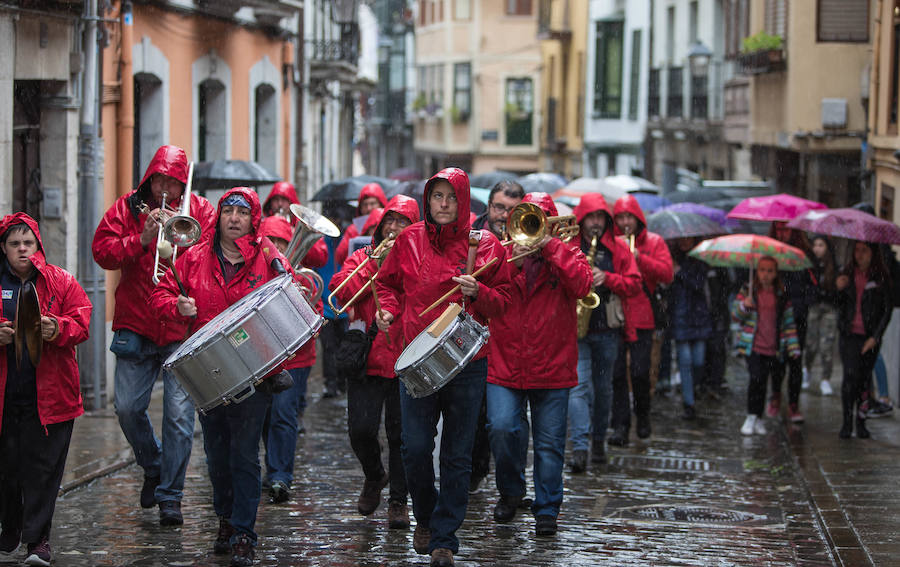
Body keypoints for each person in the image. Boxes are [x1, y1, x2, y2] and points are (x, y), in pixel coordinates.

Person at [374, 167, 511, 567]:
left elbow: (503, 301)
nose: (444, 204)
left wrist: (479, 291)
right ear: (427, 200)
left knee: (457, 453)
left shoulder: (485, 245)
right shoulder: (408, 240)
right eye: (437, 197)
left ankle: (444, 539)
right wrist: (389, 313)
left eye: (451, 197)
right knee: (414, 447)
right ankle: (427, 515)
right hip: (417, 358)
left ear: (464, 201)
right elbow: (387, 284)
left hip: (467, 361)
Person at [149, 187, 293, 566]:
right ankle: (225, 518)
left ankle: (245, 531)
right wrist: (177, 305)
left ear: (253, 219)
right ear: (219, 216)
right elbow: (160, 296)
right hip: (209, 373)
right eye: (227, 211)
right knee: (216, 454)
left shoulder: (267, 255)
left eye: (241, 213)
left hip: (253, 372)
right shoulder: (193, 258)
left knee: (244, 453)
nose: (233, 219)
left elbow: (288, 290)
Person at [92, 144, 216, 525]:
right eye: (159, 179)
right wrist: (141, 239)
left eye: (173, 182)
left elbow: (213, 256)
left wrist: (186, 240)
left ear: (183, 184)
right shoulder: (127, 208)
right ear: (148, 178)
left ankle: (171, 497)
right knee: (127, 408)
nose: (165, 188)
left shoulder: (201, 211)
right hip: (137, 321)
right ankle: (153, 464)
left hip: (181, 326)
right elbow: (102, 252)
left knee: (179, 416)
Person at [485, 192, 592, 535]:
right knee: (502, 430)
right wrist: (510, 266)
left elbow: (582, 284)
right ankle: (511, 491)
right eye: (531, 219)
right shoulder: (503, 253)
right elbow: (485, 296)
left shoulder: (568, 251)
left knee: (549, 443)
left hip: (553, 365)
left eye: (542, 219)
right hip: (505, 362)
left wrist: (551, 248)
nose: (535, 226)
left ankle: (547, 508)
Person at [0, 213, 92, 567]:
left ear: (38, 245)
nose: (22, 250)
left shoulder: (60, 281)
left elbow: (83, 320)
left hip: (51, 396)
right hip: (6, 395)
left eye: (28, 243)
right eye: (14, 244)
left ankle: (38, 542)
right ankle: (10, 530)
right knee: (7, 468)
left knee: (42, 471)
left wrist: (59, 327)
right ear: (4, 249)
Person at [330, 195, 420, 530]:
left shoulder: (419, 261)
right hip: (367, 358)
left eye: (402, 222)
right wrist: (373, 265)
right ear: (380, 227)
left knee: (401, 436)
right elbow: (339, 291)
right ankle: (374, 475)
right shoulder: (362, 256)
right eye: (389, 222)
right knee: (361, 431)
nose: (394, 229)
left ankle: (399, 501)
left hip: (405, 357)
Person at [566, 193, 640, 470]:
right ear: (581, 219)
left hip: (607, 330)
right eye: (591, 218)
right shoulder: (571, 246)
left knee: (603, 389)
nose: (595, 223)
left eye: (600, 218)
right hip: (577, 330)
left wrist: (607, 278)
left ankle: (599, 441)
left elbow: (634, 283)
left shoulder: (618, 249)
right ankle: (581, 448)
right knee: (579, 388)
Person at [257, 215, 324, 503]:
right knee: (263, 417)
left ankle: (280, 476)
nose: (277, 250)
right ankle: (273, 466)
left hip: (294, 358)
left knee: (284, 415)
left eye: (282, 244)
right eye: (270, 243)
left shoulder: (304, 279)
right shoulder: (254, 274)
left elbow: (317, 316)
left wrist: (302, 302)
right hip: (260, 358)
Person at [469, 179, 523, 491]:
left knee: (498, 418)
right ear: (488, 207)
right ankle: (475, 469)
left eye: (512, 210)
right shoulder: (472, 236)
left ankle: (497, 475)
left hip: (507, 338)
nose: (503, 215)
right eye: (499, 207)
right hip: (474, 330)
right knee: (472, 412)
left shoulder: (527, 237)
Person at [609, 195, 673, 445]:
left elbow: (667, 273)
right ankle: (621, 426)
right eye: (620, 218)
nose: (625, 223)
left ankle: (643, 414)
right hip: (618, 314)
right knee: (616, 373)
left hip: (643, 314)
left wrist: (638, 258)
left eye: (629, 218)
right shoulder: (611, 243)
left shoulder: (654, 242)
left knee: (639, 370)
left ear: (638, 219)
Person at [732, 256, 801, 436]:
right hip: (753, 345)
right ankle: (751, 415)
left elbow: (788, 322)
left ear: (776, 273)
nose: (765, 275)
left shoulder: (781, 294)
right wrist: (744, 306)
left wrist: (793, 346)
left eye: (770, 271)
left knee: (764, 382)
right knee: (755, 378)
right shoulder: (749, 290)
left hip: (773, 346)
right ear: (757, 271)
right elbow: (735, 315)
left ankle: (759, 417)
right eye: (762, 270)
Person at [835, 241, 893, 439]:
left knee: (864, 381)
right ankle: (846, 422)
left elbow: (887, 309)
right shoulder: (846, 273)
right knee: (849, 378)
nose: (860, 255)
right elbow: (836, 304)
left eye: (864, 251)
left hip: (869, 337)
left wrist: (875, 337)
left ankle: (861, 421)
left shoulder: (881, 277)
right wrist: (839, 289)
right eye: (857, 250)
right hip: (849, 335)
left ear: (872, 253)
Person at [768, 223, 816, 423]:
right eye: (778, 229)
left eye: (786, 229)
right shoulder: (770, 251)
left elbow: (813, 285)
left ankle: (794, 403)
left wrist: (801, 304)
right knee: (776, 360)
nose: (782, 234)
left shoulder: (804, 254)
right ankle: (776, 395)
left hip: (797, 318)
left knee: (795, 360)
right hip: (775, 317)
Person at [668, 237, 712, 420]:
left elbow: (697, 284)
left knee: (698, 361)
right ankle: (689, 403)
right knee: (684, 361)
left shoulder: (701, 260)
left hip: (698, 316)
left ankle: (693, 390)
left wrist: (679, 272)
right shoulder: (671, 258)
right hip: (680, 316)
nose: (684, 242)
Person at [804, 235, 839, 397]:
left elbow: (840, 291)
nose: (817, 248)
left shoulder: (834, 267)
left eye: (821, 245)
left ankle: (825, 378)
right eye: (815, 245)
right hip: (813, 307)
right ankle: (807, 369)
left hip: (829, 308)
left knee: (827, 345)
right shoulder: (809, 266)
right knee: (810, 343)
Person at [334, 182, 388, 269]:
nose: (369, 208)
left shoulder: (389, 226)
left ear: (381, 204)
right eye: (365, 204)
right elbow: (340, 257)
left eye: (372, 203)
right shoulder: (353, 229)